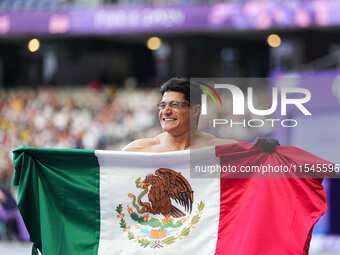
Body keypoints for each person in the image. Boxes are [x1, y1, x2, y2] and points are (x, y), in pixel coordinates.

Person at [122, 77, 278, 152]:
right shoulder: (140, 150)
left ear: (195, 110)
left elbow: (262, 159)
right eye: (162, 105)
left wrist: (267, 149)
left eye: (174, 104)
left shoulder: (218, 149)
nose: (166, 111)